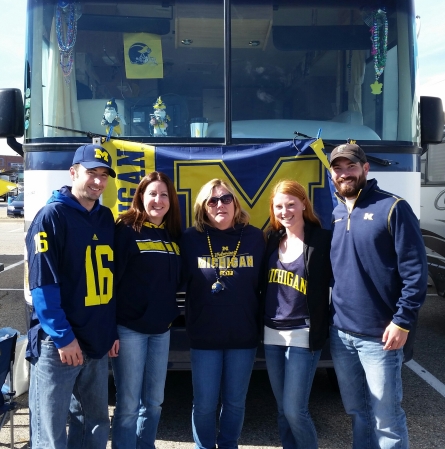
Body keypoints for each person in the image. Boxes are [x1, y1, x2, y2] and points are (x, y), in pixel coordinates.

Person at [329, 143, 427, 448]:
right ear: (331, 174)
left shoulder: (393, 208)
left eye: (351, 167)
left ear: (365, 169)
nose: (345, 174)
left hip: (380, 336)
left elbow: (416, 273)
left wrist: (403, 321)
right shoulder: (334, 212)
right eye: (338, 168)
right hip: (341, 334)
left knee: (386, 417)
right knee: (358, 411)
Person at [25, 143, 119, 449]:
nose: (98, 181)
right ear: (73, 172)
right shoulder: (51, 217)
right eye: (91, 173)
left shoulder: (105, 217)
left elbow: (109, 282)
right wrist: (64, 337)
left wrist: (110, 330)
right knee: (51, 436)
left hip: (97, 338)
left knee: (94, 425)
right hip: (60, 344)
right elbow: (43, 285)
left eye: (104, 175)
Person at [180, 179, 265, 449]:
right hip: (204, 335)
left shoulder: (254, 236)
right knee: (204, 403)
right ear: (203, 207)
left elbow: (265, 283)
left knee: (235, 402)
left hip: (243, 335)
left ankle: (229, 445)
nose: (220, 205)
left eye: (226, 199)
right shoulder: (190, 239)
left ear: (236, 203)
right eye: (212, 200)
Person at [111, 171, 182, 449]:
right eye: (152, 193)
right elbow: (110, 285)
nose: (158, 200)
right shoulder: (126, 231)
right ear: (140, 197)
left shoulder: (171, 235)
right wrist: (109, 331)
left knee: (154, 402)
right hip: (129, 330)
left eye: (164, 194)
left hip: (161, 331)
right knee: (128, 404)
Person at [261, 180, 331, 449]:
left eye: (291, 204)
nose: (285, 211)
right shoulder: (271, 240)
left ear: (304, 204)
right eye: (279, 206)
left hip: (303, 333)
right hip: (272, 333)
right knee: (281, 410)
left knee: (294, 410)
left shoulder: (321, 240)